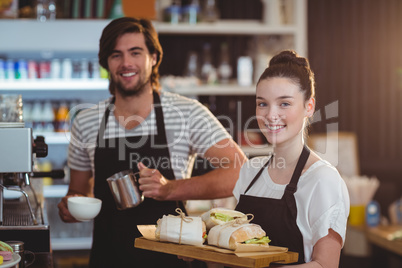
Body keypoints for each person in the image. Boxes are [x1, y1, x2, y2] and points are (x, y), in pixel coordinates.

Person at [57, 17, 247, 268]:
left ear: (154, 57)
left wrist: (170, 189)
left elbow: (240, 171)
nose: (126, 63)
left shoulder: (186, 112)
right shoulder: (87, 122)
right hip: (108, 256)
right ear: (106, 63)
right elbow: (79, 190)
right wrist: (71, 205)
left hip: (172, 258)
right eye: (116, 55)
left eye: (135, 52)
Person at [233, 50, 350, 266]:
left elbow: (325, 265)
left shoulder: (322, 180)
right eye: (262, 103)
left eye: (284, 103)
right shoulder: (250, 172)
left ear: (309, 107)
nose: (270, 115)